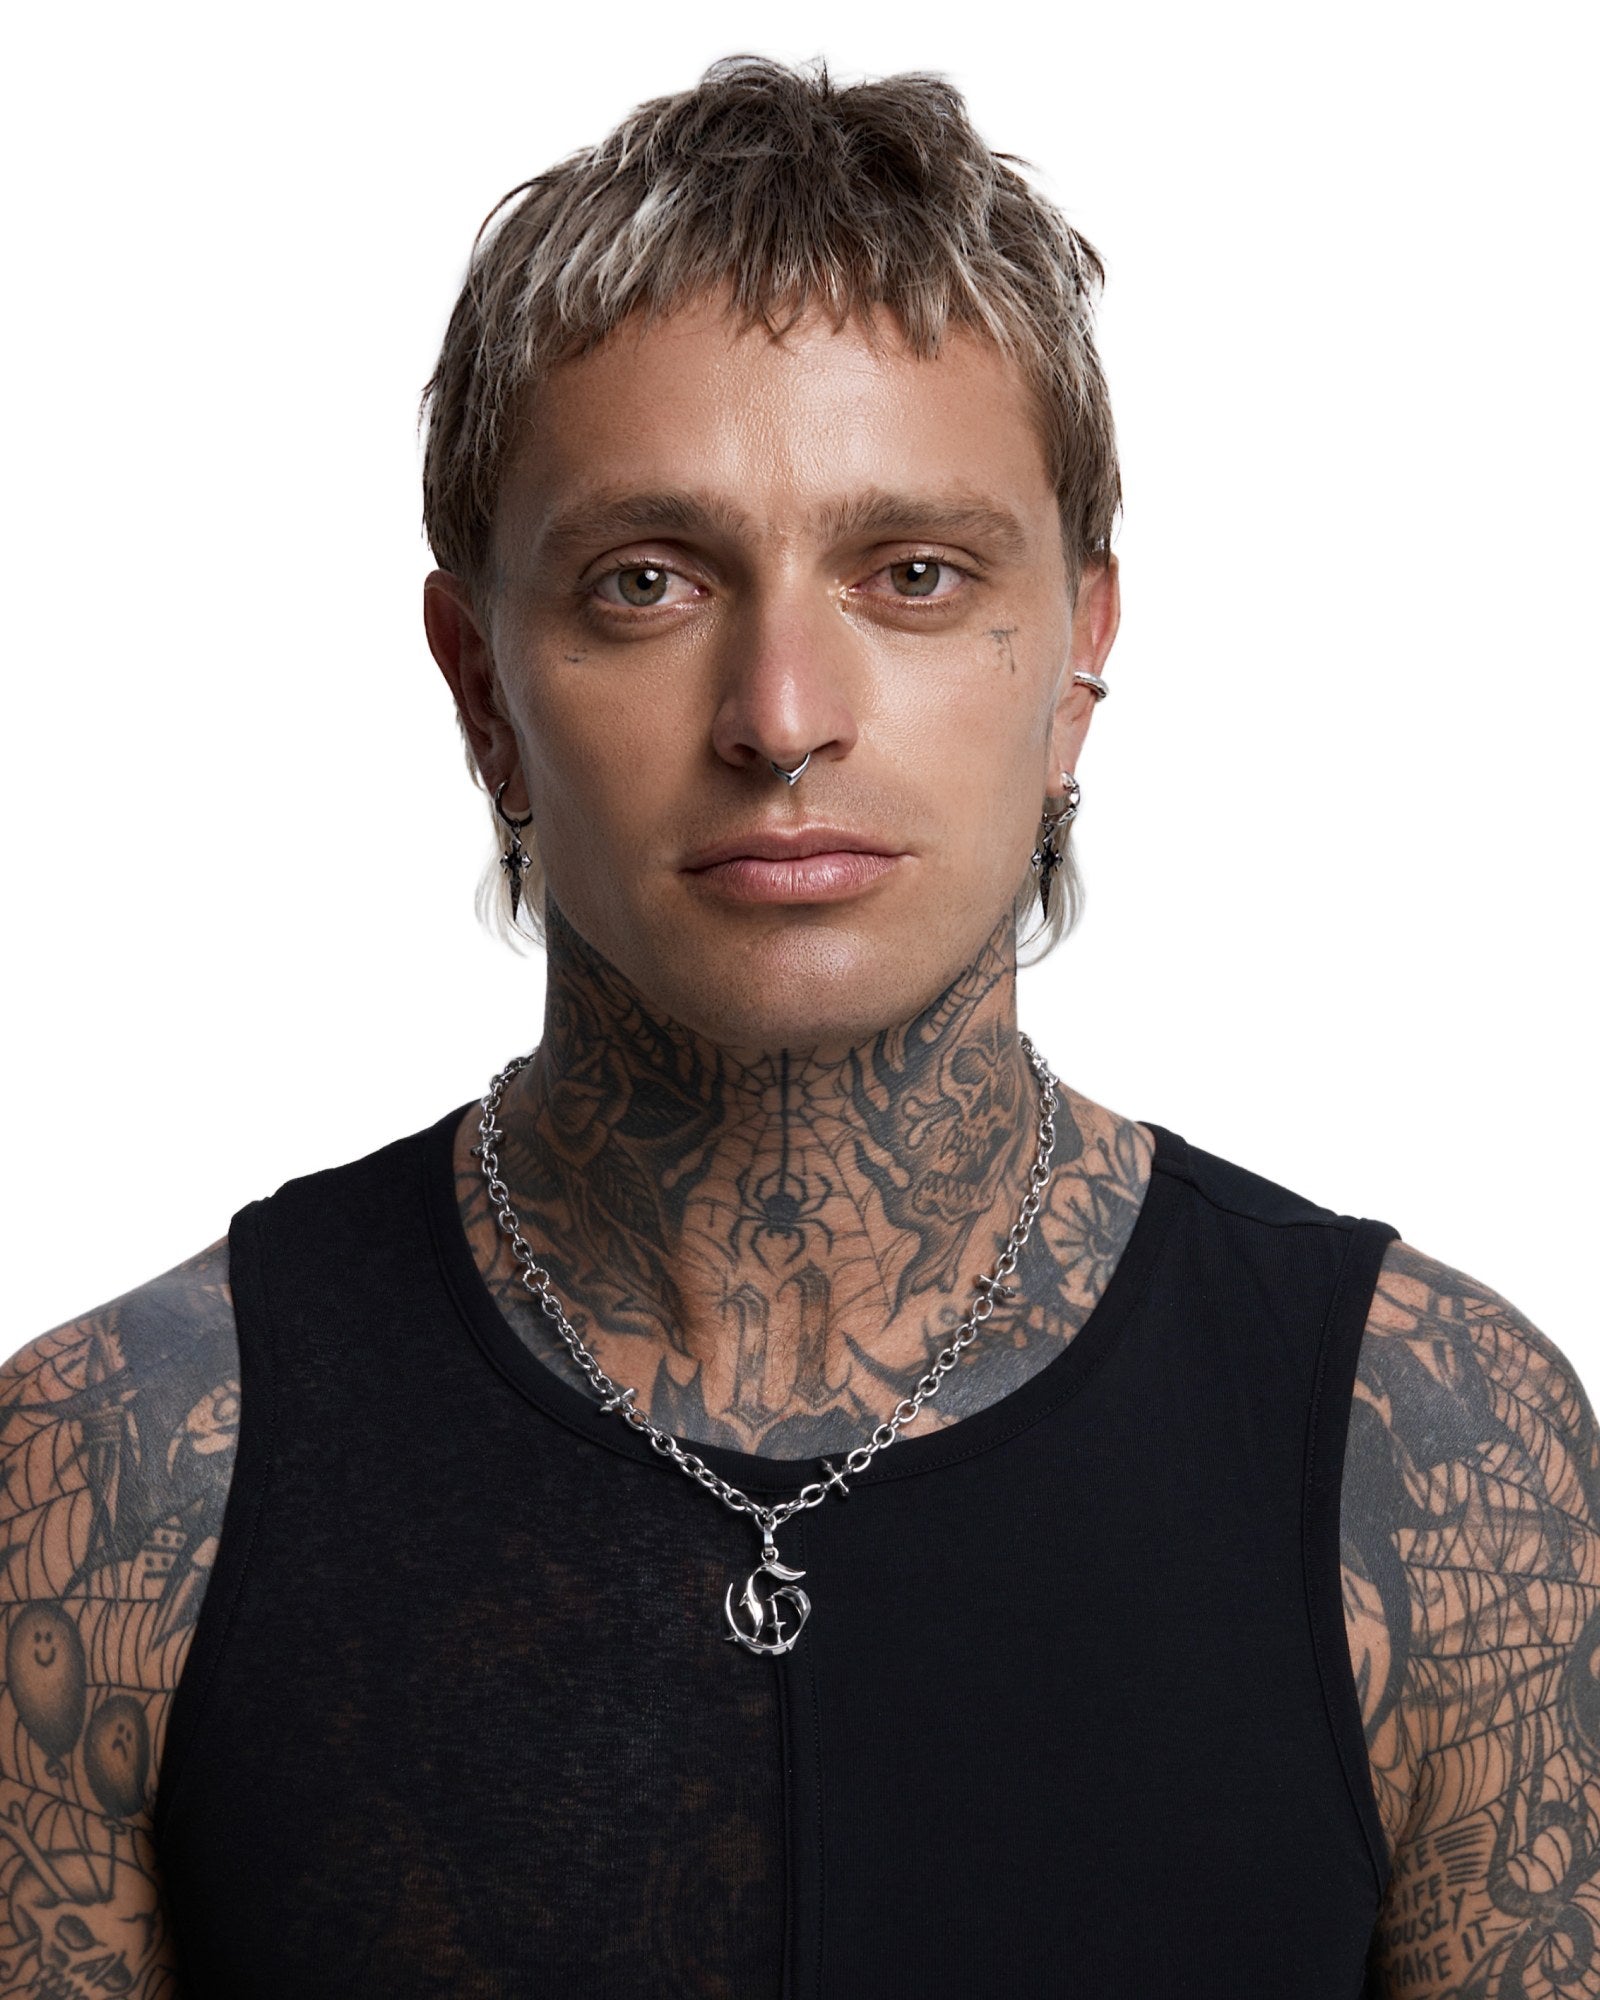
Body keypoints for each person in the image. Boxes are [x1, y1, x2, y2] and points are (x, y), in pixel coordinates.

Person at [0, 53, 1593, 1999]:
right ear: (480, 681)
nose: (778, 714)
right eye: (646, 581)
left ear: (1077, 657)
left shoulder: (1431, 1448)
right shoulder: (118, 1476)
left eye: (911, 575)